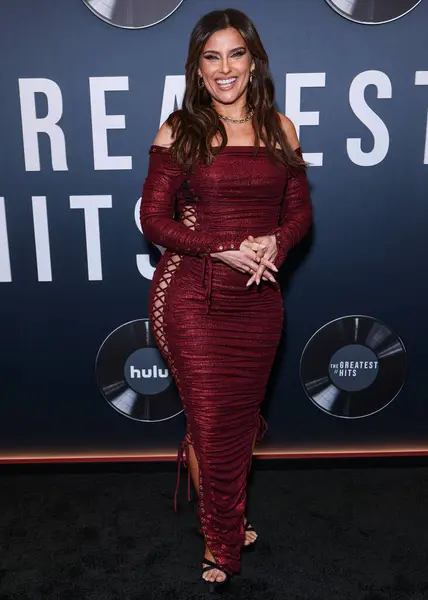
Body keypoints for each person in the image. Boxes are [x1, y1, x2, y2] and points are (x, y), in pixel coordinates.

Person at [140, 8, 313, 593]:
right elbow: (154, 220)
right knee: (213, 422)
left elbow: (299, 212)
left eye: (234, 54)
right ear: (196, 67)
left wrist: (276, 243)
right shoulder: (179, 131)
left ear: (254, 60)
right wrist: (224, 247)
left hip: (259, 299)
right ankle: (221, 535)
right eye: (210, 57)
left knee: (232, 425)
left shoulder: (280, 129)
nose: (224, 69)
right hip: (191, 295)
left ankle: (226, 513)